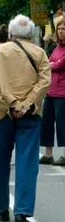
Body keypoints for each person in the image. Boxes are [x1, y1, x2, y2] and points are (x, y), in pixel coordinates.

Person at [0, 14, 51, 222]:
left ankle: (2, 207)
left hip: (1, 113)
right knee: (27, 163)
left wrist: (11, 105)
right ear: (31, 34)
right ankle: (22, 212)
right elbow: (44, 82)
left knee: (1, 160)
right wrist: (26, 105)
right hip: (30, 115)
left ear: (11, 34)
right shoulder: (40, 53)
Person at [40, 17, 65, 165]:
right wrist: (51, 64)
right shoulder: (57, 48)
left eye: (63, 29)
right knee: (47, 123)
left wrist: (51, 64)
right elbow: (50, 63)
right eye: (59, 29)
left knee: (62, 124)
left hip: (62, 92)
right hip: (51, 91)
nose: (61, 32)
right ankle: (48, 154)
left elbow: (60, 64)